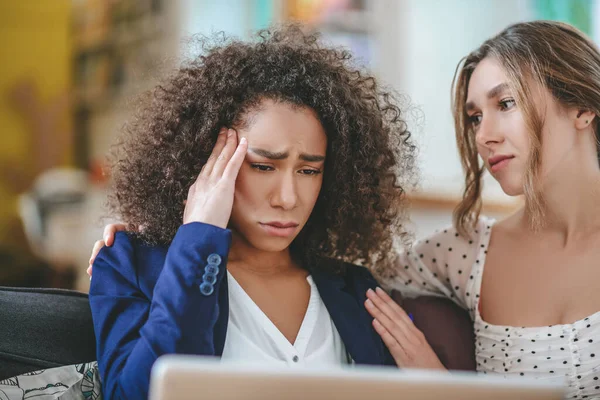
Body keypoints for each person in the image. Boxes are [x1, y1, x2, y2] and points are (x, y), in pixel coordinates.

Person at [88, 25, 418, 400]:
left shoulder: (355, 287)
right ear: (204, 160)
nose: (288, 198)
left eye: (309, 171)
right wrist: (196, 240)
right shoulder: (130, 263)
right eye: (263, 166)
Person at [360, 20, 600, 398]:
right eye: (475, 117)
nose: (484, 136)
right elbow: (345, 283)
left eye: (506, 103)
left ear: (583, 108)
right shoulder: (465, 253)